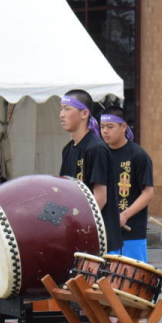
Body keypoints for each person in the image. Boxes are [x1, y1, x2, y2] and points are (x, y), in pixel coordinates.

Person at [58, 90, 119, 254]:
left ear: (84, 113)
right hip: (79, 235)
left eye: (67, 109)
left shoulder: (96, 148)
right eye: (61, 109)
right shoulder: (68, 150)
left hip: (99, 238)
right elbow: (64, 193)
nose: (61, 114)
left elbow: (100, 197)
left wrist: (76, 226)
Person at [99, 107, 154, 263]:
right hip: (106, 231)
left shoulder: (138, 155)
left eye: (110, 127)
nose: (105, 131)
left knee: (132, 281)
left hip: (132, 232)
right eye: (102, 127)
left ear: (123, 127)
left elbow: (148, 193)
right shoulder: (99, 153)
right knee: (105, 282)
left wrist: (125, 215)